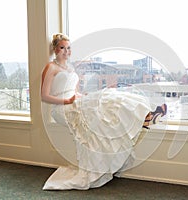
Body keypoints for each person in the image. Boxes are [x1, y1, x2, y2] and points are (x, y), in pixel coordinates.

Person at [41, 33, 167, 190]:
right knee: (99, 110)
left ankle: (146, 115)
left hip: (73, 101)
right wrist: (65, 101)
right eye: (62, 48)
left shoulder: (70, 68)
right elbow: (44, 95)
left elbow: (74, 92)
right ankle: (144, 119)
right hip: (60, 108)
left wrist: (84, 97)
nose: (66, 51)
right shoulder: (50, 67)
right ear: (55, 49)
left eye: (68, 48)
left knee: (107, 98)